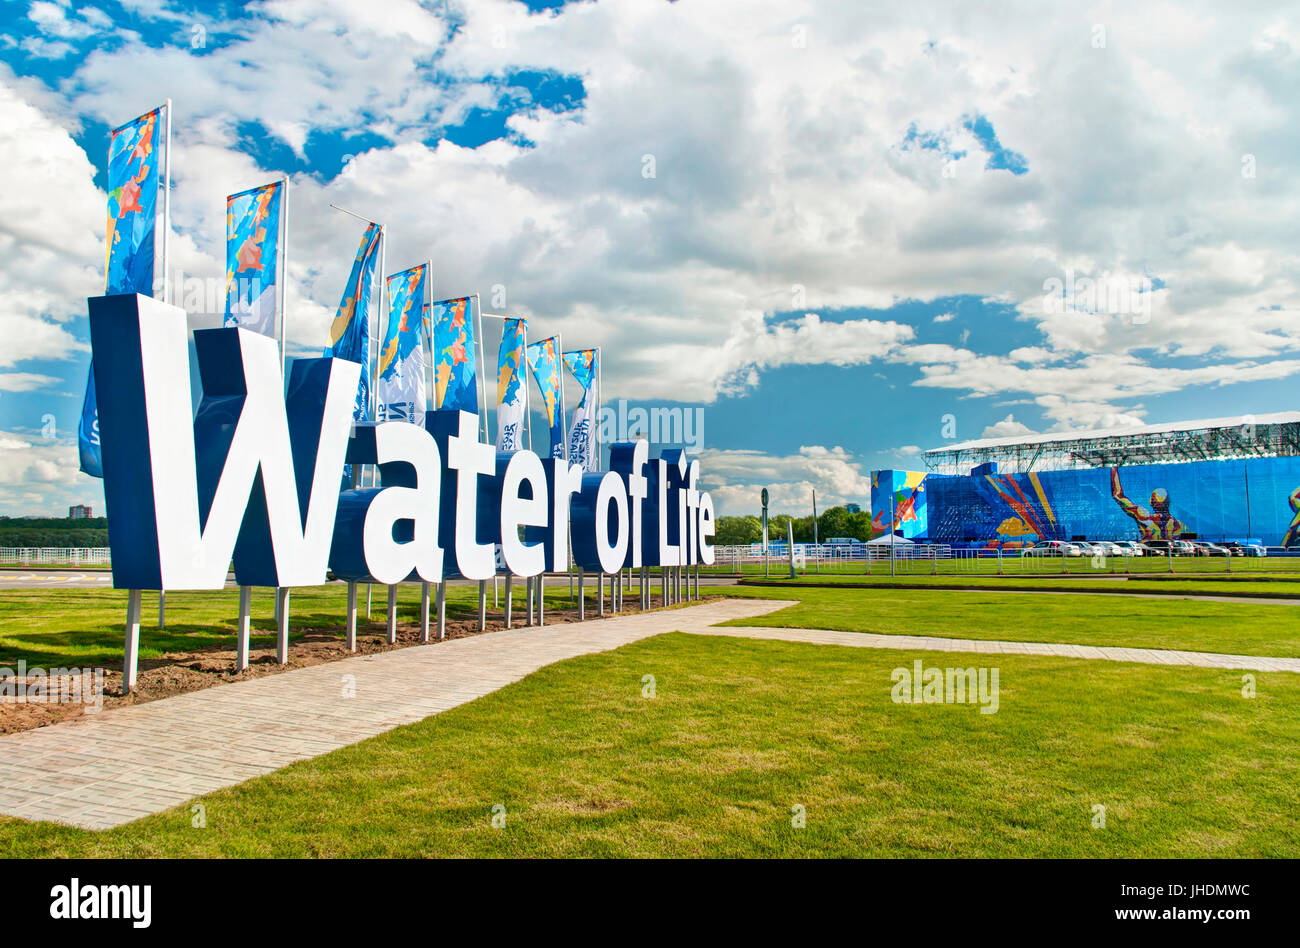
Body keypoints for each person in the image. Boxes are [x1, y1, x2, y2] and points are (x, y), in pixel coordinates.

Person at [1110, 467, 1185, 540]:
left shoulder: (1143, 516)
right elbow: (1189, 539)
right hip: (1162, 550)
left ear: (1151, 502)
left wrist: (1113, 469)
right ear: (1168, 503)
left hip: (1148, 550)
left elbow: (1117, 495)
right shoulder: (1177, 525)